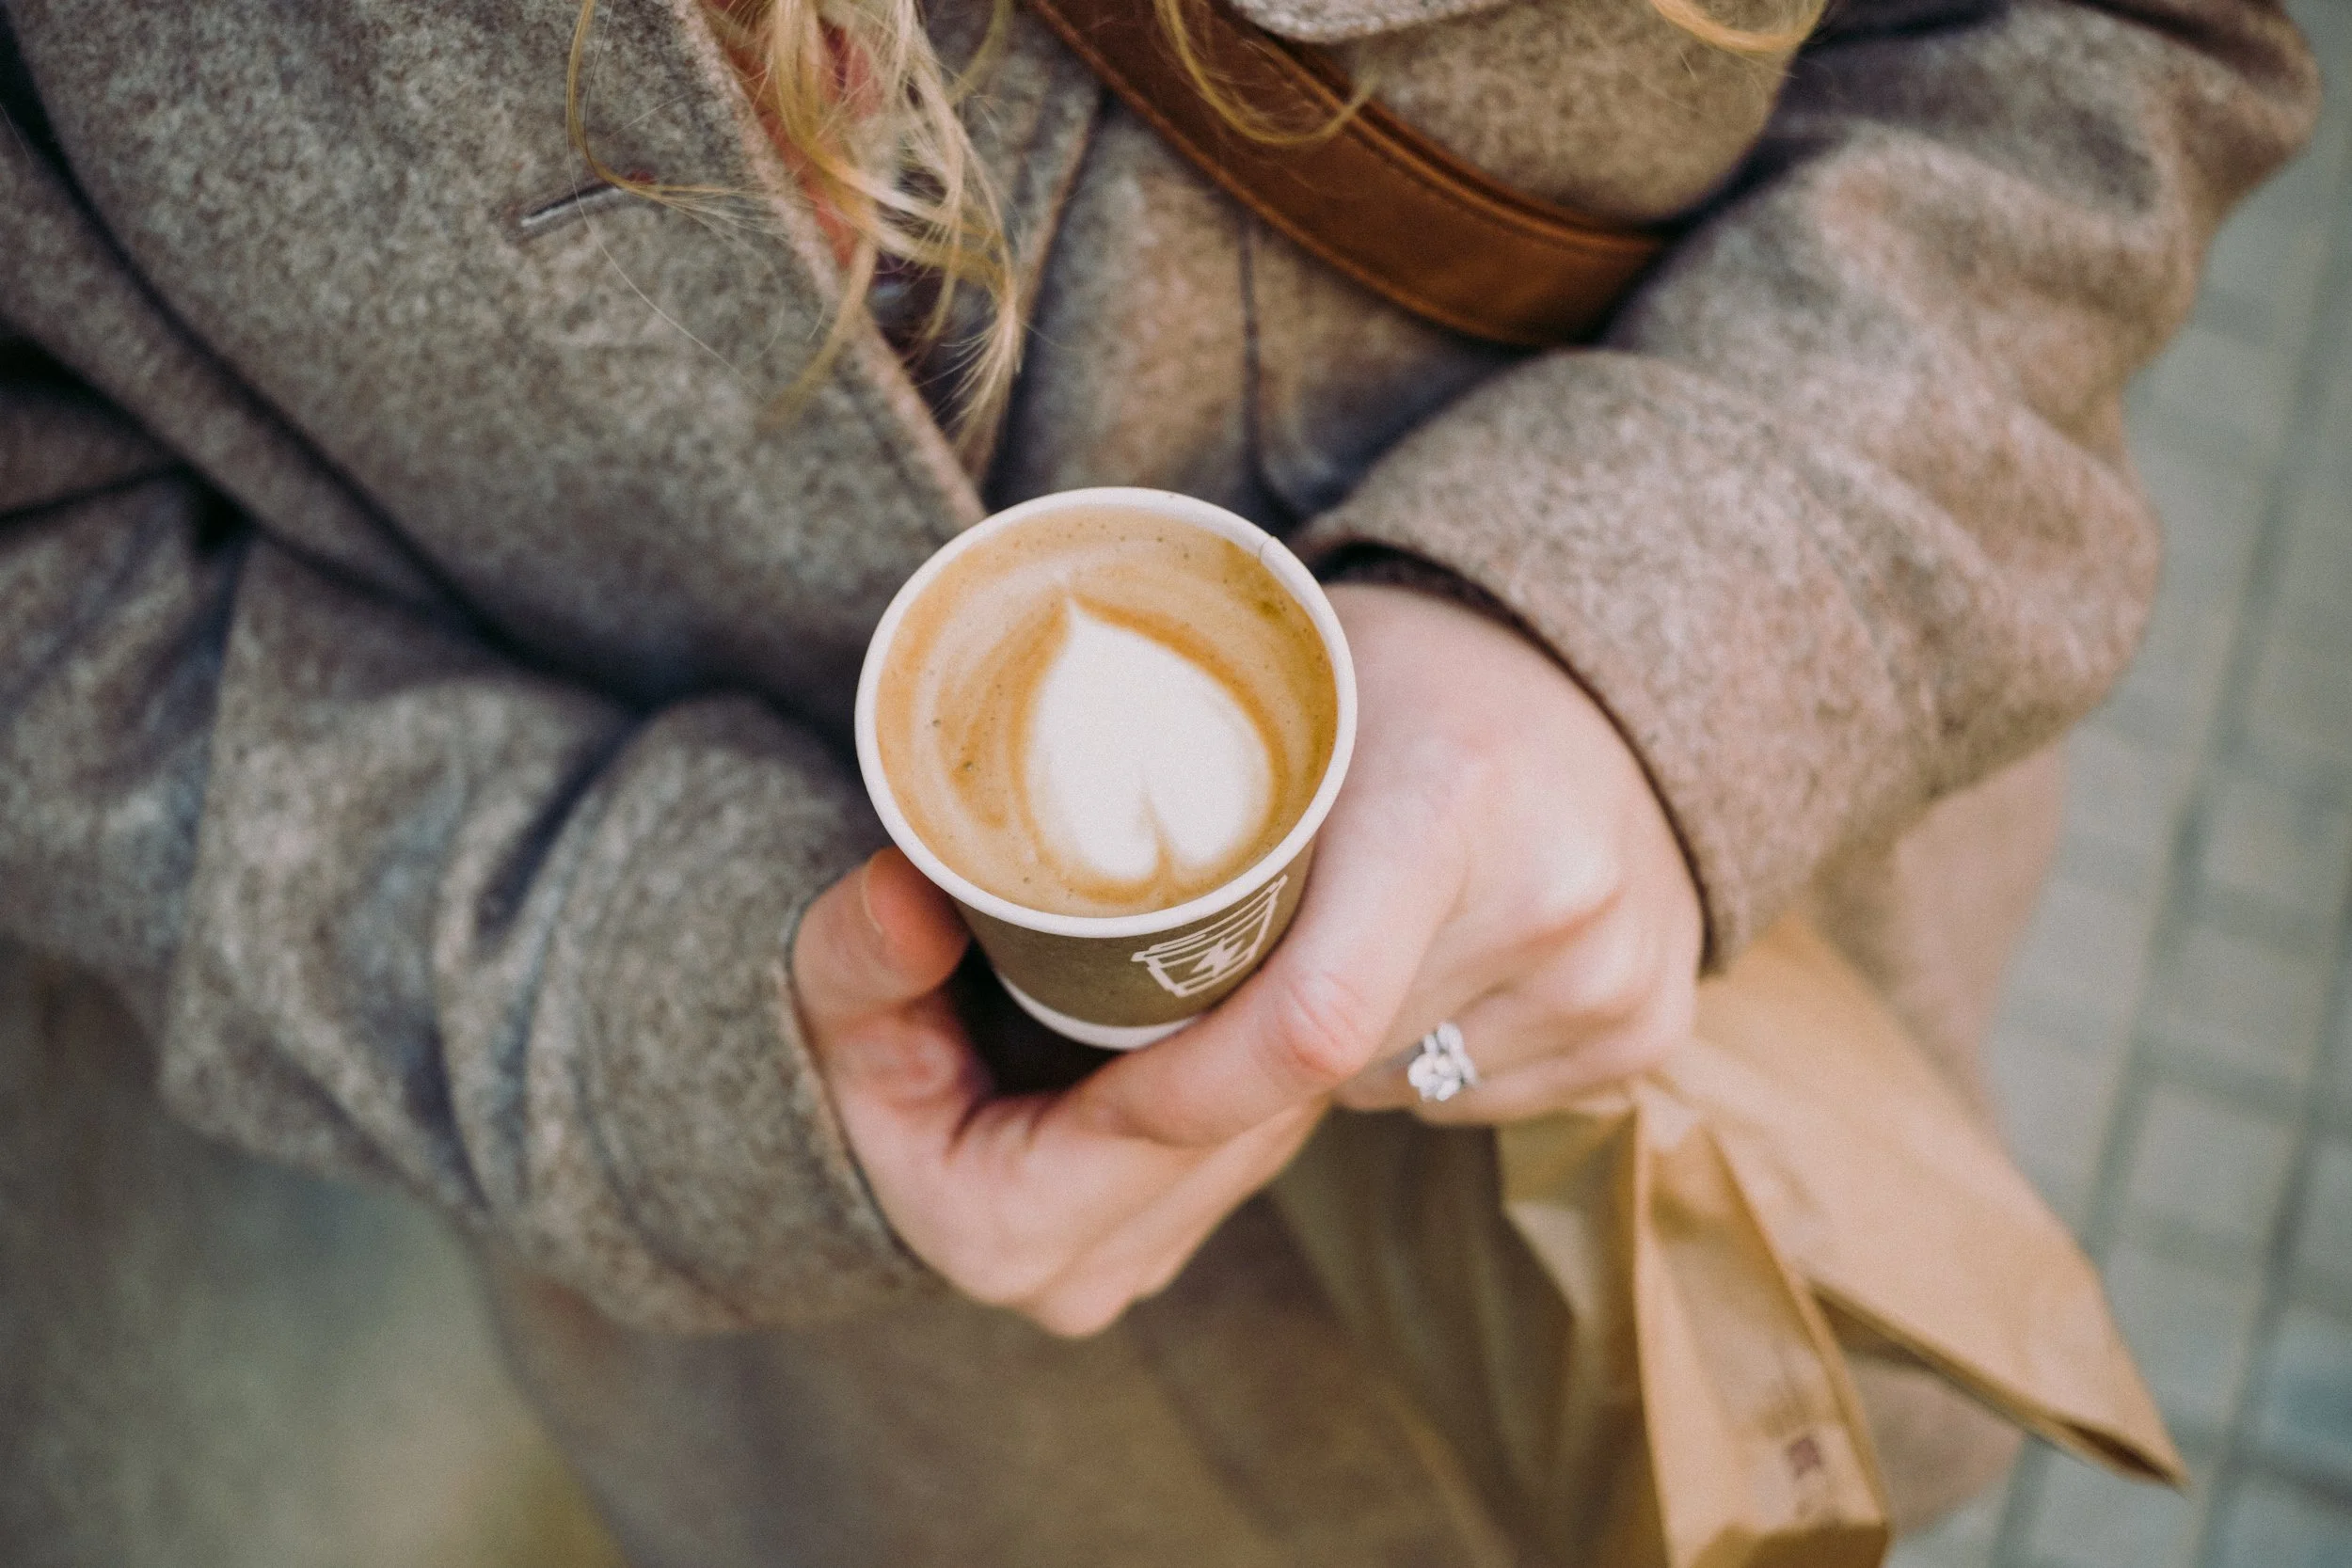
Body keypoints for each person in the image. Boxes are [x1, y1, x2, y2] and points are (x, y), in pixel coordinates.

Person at [0, 0, 2315, 1560]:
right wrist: (623, 997)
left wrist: (1674, 608)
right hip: (903, 1415)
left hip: (1746, 1055)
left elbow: (2098, 48)